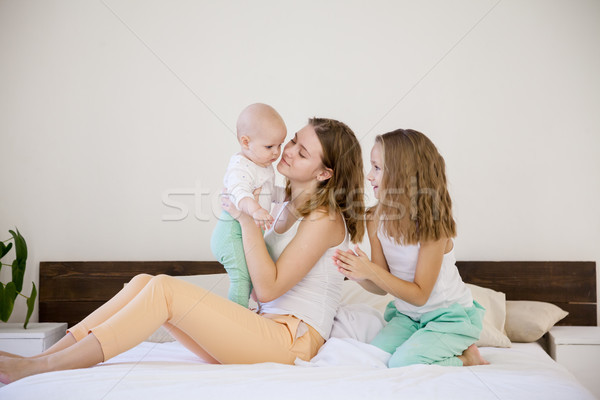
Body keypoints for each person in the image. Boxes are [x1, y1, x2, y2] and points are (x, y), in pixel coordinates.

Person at [0, 117, 365, 384]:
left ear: (324, 174)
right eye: (293, 142)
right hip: (261, 328)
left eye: (302, 152)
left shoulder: (325, 218)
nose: (287, 152)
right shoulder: (283, 205)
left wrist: (245, 218)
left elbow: (268, 288)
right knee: (145, 281)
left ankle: (41, 368)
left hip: (291, 342)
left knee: (164, 289)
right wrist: (245, 211)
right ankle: (42, 358)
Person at [333, 129, 488, 368]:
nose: (368, 176)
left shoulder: (432, 225)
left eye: (376, 168)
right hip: (408, 316)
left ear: (401, 175)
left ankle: (468, 357)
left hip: (447, 317)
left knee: (402, 363)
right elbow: (380, 287)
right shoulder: (375, 218)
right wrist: (358, 273)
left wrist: (370, 270)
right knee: (373, 358)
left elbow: (420, 294)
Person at [211, 103, 287, 307]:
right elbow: (239, 194)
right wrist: (255, 209)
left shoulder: (262, 164)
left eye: (280, 145)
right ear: (246, 142)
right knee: (242, 279)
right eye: (270, 146)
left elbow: (270, 193)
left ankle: (259, 315)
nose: (276, 152)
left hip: (249, 232)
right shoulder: (241, 166)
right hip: (231, 234)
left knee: (260, 273)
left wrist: (289, 194)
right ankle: (236, 321)